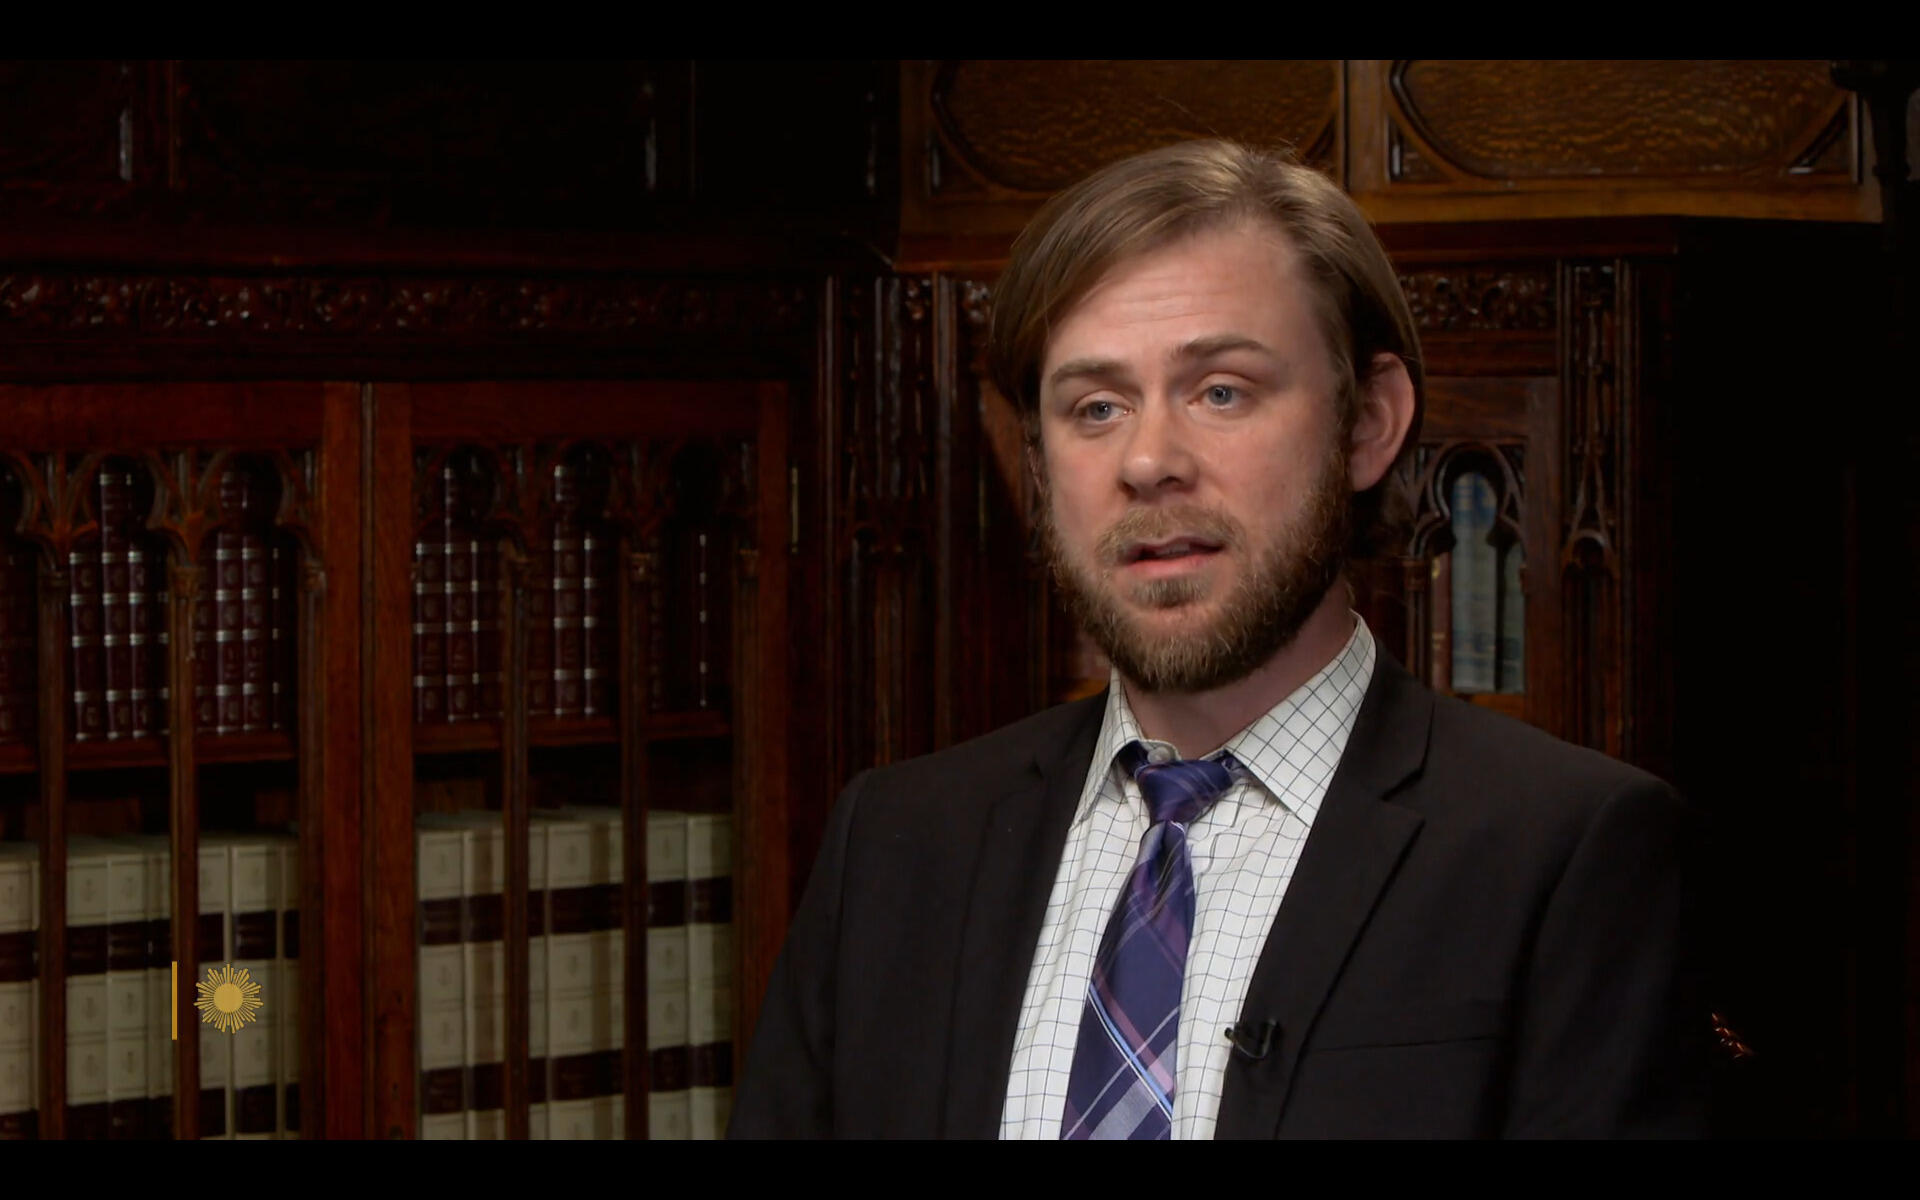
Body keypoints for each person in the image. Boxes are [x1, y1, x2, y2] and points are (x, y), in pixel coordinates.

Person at [730, 139, 1708, 1139]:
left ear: (1369, 423)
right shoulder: (896, 844)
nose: (1150, 460)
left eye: (1221, 391)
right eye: (1095, 407)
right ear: (1038, 465)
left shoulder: (1564, 851)